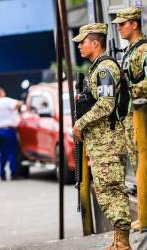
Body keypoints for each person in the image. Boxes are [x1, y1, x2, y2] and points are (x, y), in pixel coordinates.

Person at [72, 24, 131, 249]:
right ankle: (118, 240)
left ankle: (123, 243)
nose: (79, 46)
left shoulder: (105, 69)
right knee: (106, 190)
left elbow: (106, 105)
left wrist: (80, 123)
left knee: (112, 189)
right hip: (100, 142)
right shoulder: (96, 69)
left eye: (82, 42)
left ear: (95, 43)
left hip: (108, 141)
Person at [112, 6, 147, 232]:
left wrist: (128, 90)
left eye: (122, 24)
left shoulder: (143, 51)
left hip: (142, 115)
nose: (119, 28)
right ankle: (144, 215)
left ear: (134, 24)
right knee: (138, 166)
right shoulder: (130, 51)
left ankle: (144, 217)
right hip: (131, 116)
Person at [0, 87, 22, 181]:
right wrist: (16, 110)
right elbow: (18, 104)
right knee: (12, 152)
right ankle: (13, 173)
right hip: (8, 130)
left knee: (2, 153)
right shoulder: (5, 100)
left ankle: (2, 173)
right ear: (1, 93)